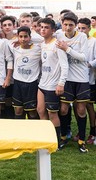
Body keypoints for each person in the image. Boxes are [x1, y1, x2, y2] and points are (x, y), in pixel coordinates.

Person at [56, 11, 90, 153]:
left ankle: (82, 140)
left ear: (76, 25)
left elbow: (84, 57)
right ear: (62, 24)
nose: (68, 27)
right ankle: (64, 136)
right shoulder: (59, 35)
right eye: (65, 24)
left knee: (81, 110)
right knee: (63, 109)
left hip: (81, 79)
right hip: (67, 79)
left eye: (71, 25)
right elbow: (42, 36)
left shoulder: (82, 37)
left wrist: (67, 49)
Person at [37, 18, 68, 149]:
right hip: (42, 84)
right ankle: (45, 138)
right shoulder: (42, 44)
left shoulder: (57, 45)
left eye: (46, 27)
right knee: (40, 110)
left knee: (52, 114)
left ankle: (57, 140)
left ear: (53, 30)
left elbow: (65, 66)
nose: (43, 29)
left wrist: (61, 83)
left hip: (53, 85)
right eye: (41, 27)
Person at [10, 26, 41, 119]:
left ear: (30, 37)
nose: (23, 39)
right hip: (17, 83)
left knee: (32, 111)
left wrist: (32, 38)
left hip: (31, 84)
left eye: (25, 36)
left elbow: (43, 39)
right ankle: (19, 132)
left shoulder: (38, 49)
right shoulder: (14, 47)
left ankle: (33, 132)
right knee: (18, 110)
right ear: (17, 37)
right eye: (21, 36)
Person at [76, 18, 96, 144]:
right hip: (77, 78)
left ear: (89, 29)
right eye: (79, 28)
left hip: (90, 79)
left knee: (89, 105)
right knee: (78, 106)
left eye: (84, 28)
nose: (81, 31)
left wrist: (89, 64)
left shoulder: (93, 41)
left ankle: (93, 133)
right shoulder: (76, 40)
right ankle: (80, 131)